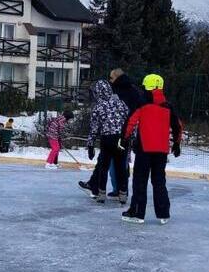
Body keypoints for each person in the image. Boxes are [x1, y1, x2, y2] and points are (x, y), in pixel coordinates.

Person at [119, 74, 182, 225]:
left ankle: (137, 213)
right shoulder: (168, 106)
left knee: (140, 181)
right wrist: (177, 143)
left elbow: (131, 122)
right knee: (159, 181)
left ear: (148, 88)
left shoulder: (141, 104)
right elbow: (178, 126)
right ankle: (163, 213)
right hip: (161, 151)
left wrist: (124, 138)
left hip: (144, 149)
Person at [78, 80, 130, 203]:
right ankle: (123, 194)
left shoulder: (99, 107)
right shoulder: (121, 103)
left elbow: (94, 127)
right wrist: (130, 137)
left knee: (103, 167)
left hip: (107, 139)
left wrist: (90, 145)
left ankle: (101, 194)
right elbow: (129, 121)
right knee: (121, 167)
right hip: (121, 139)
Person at [107, 68, 147, 198]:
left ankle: (120, 189)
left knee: (117, 161)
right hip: (127, 129)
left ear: (117, 78)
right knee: (120, 160)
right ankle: (119, 189)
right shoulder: (134, 90)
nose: (110, 80)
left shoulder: (120, 91)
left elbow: (132, 113)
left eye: (111, 78)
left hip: (123, 130)